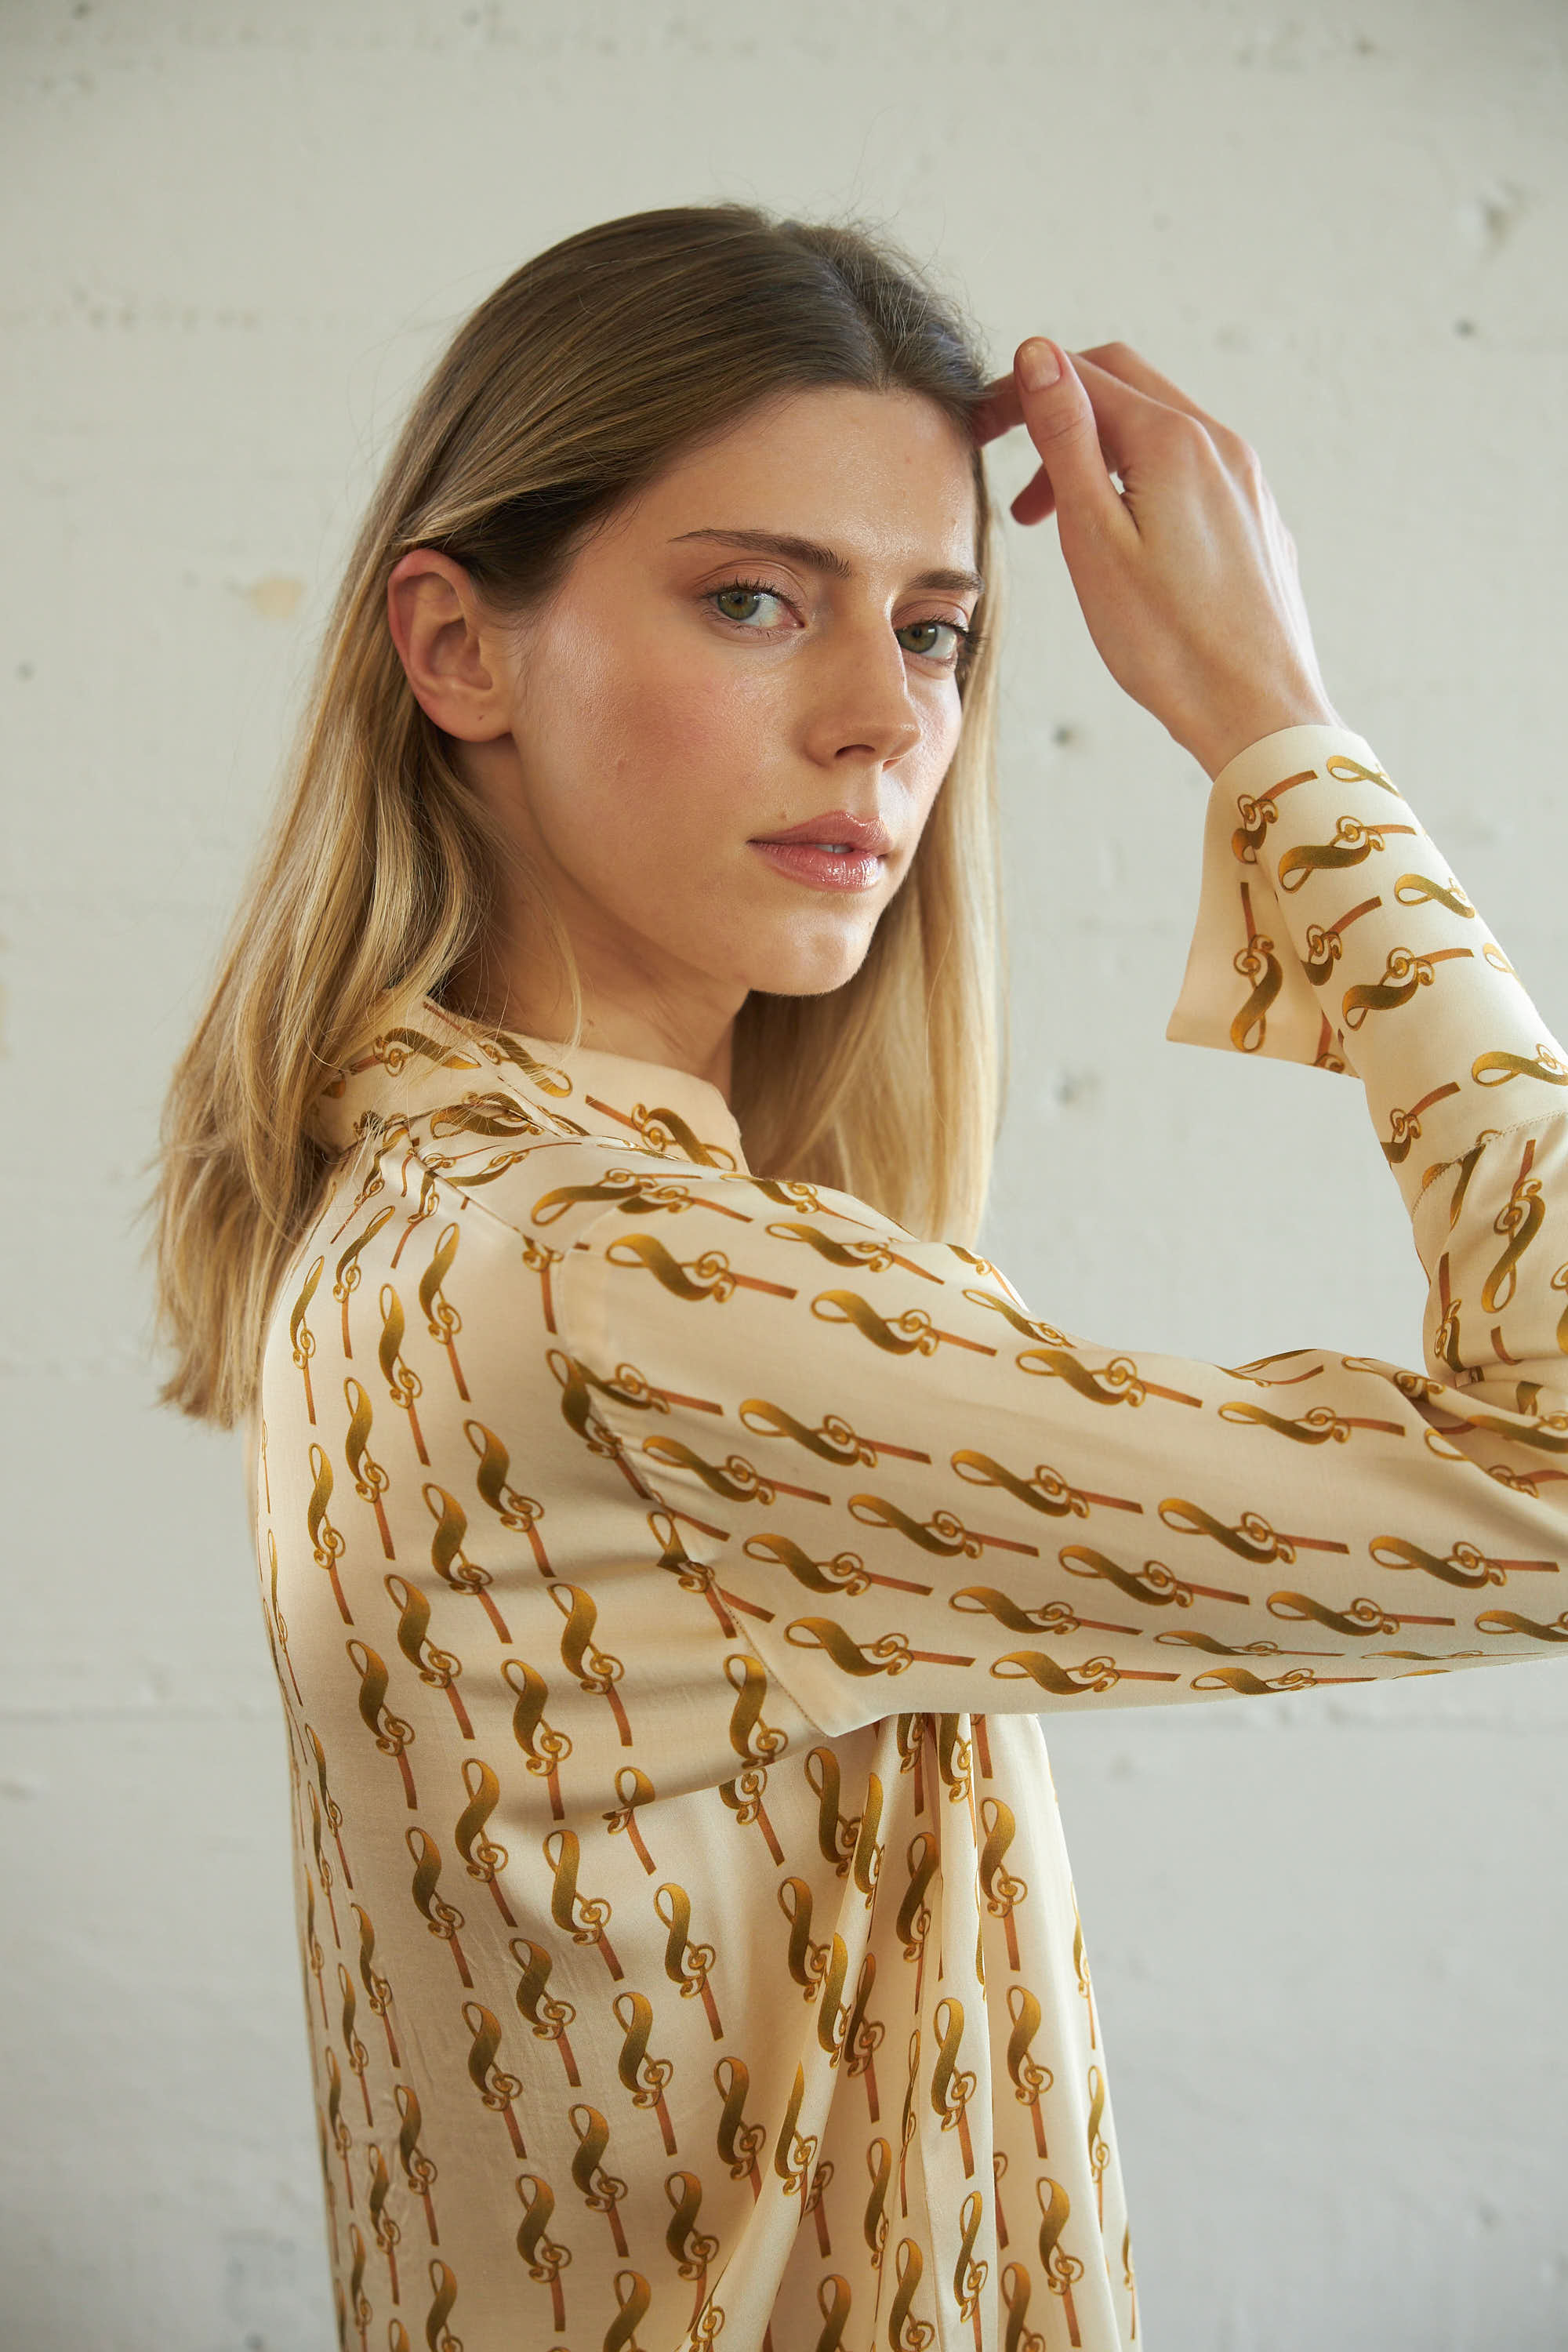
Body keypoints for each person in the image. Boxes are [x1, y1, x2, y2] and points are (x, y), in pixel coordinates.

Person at [151, 201, 1568, 2352]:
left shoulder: (427, 1197)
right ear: (456, 650)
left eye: (936, 630)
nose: (883, 720)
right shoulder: (626, 1285)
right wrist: (1279, 728)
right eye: (753, 600)